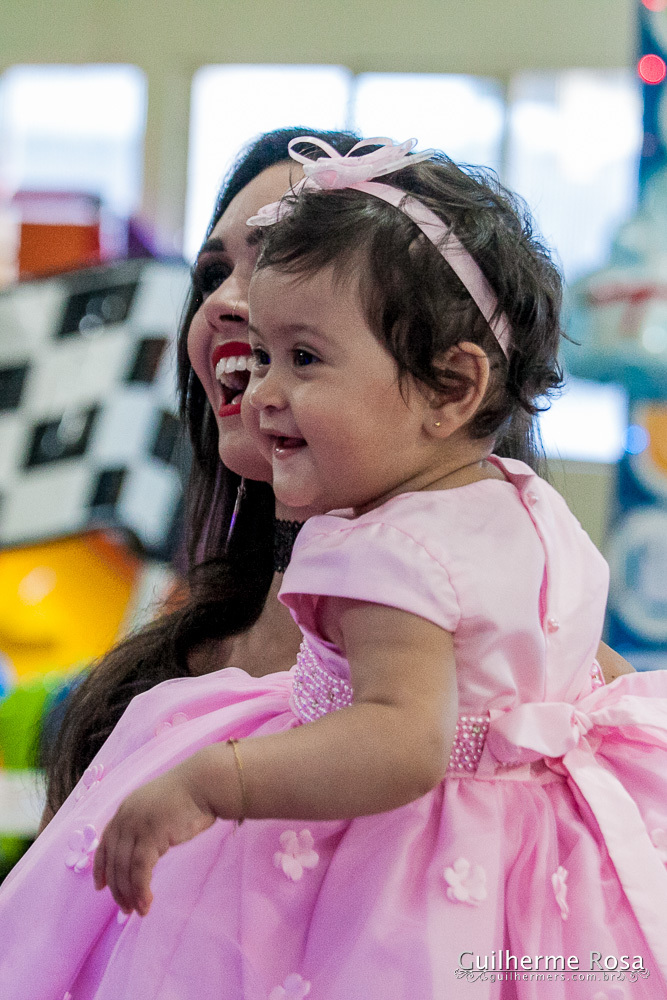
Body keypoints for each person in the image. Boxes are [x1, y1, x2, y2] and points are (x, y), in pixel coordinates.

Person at [2, 137, 664, 1000]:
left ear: (449, 382)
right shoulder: (522, 508)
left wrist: (217, 779)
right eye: (213, 272)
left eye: (304, 353)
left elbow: (405, 737)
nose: (262, 369)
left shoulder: (401, 561)